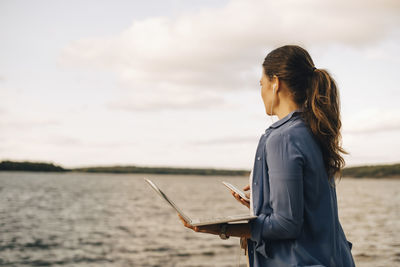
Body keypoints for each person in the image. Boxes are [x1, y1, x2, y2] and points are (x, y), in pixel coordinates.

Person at [178, 45, 355, 267]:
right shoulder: (314, 130)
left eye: (261, 84)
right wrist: (262, 202)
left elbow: (286, 225)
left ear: (275, 83)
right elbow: (309, 208)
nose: (260, 91)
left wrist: (218, 228)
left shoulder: (282, 137)